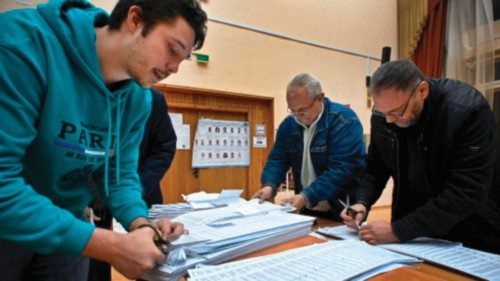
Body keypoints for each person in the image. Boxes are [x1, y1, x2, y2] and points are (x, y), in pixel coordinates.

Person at [0, 0, 207, 280]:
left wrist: (141, 225)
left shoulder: (138, 97)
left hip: (68, 225)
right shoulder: (22, 43)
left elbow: (120, 176)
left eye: (182, 60)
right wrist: (106, 244)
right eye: (172, 49)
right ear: (135, 19)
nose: (174, 68)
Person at [342, 60, 500, 254]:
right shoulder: (384, 116)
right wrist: (362, 201)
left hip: (469, 231)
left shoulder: (468, 111)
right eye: (383, 113)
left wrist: (397, 230)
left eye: (396, 112)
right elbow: (375, 167)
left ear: (422, 91)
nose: (389, 121)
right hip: (413, 232)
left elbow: (465, 192)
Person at [87, 89, 177, 281]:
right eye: (171, 55)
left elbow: (119, 172)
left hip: (134, 193)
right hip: (82, 203)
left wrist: (141, 222)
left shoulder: (145, 99)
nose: (174, 68)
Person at [253, 73, 366, 220]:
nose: (298, 116)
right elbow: (277, 159)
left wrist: (307, 195)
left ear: (320, 98)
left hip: (343, 208)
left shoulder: (343, 120)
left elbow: (342, 168)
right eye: (292, 111)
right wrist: (269, 185)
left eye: (302, 110)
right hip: (307, 207)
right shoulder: (288, 125)